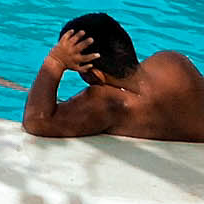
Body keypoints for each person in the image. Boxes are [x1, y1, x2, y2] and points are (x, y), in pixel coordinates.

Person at [21, 12, 204, 140]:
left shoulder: (108, 104)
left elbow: (37, 121)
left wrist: (55, 61)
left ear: (95, 76)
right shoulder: (171, 60)